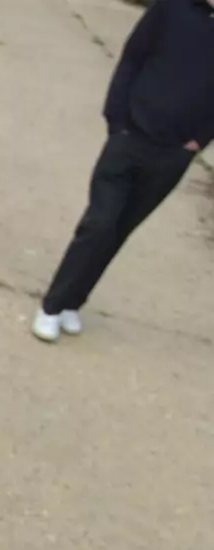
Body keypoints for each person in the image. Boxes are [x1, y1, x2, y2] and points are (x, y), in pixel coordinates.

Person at [32, 0, 214, 342]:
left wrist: (198, 142)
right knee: (99, 224)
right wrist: (118, 121)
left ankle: (73, 300)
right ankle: (51, 307)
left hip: (174, 154)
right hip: (131, 137)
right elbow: (133, 58)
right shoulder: (171, 9)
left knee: (119, 230)